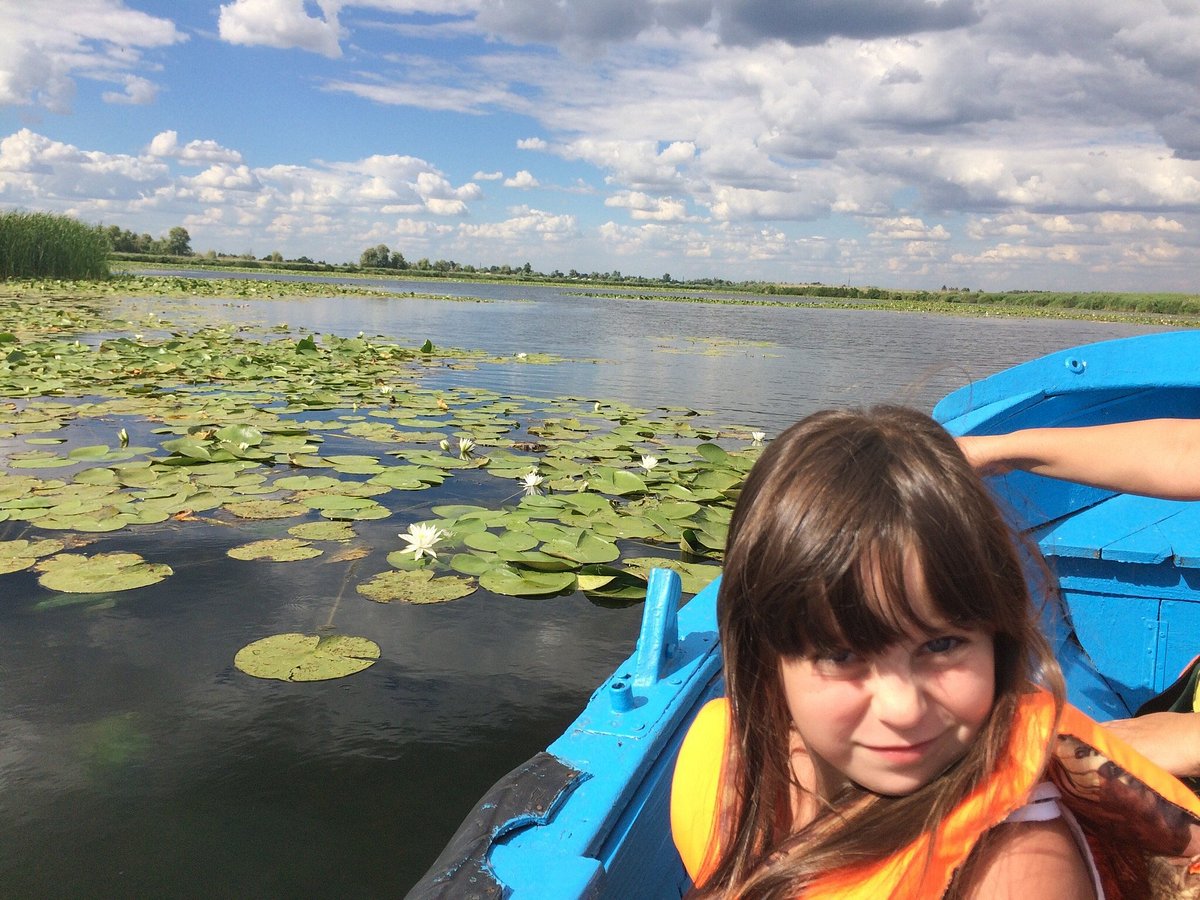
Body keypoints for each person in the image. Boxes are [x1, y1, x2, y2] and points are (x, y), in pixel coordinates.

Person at [670, 406, 1200, 899]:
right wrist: (999, 451)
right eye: (841, 655)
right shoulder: (733, 769)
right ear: (766, 656)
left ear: (1000, 639)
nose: (903, 711)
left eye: (942, 645)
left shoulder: (1017, 870)